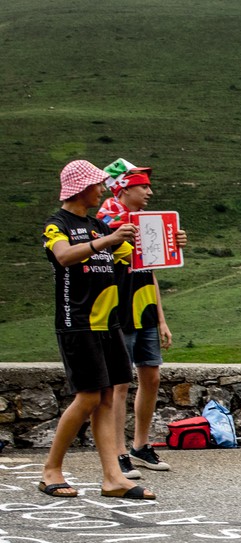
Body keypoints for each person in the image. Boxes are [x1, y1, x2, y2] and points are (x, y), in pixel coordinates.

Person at [40, 159, 153, 500]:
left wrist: (170, 241)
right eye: (97, 184)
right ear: (81, 188)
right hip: (78, 322)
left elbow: (137, 258)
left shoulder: (98, 226)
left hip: (108, 323)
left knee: (106, 397)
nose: (102, 189)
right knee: (88, 396)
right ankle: (51, 470)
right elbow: (63, 257)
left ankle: (112, 478)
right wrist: (105, 241)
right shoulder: (56, 224)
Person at [97, 166, 177, 480]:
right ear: (125, 189)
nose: (149, 193)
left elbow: (152, 269)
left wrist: (161, 318)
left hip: (143, 307)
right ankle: (117, 453)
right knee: (119, 383)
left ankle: (139, 446)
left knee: (152, 376)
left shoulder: (146, 224)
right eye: (144, 187)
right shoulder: (105, 221)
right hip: (118, 310)